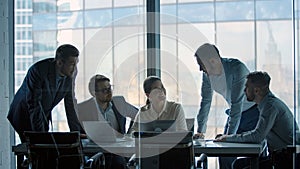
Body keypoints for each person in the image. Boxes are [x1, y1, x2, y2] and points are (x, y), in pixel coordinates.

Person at [7, 44, 84, 169]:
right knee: (37, 150)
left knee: (46, 152)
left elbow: (70, 104)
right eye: (72, 64)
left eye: (76, 63)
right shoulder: (38, 71)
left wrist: (77, 133)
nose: (75, 68)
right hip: (23, 113)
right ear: (59, 63)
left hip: (42, 112)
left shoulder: (70, 74)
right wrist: (41, 136)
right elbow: (34, 105)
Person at [193, 43, 260, 169]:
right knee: (224, 154)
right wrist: (200, 131)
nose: (200, 70)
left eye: (201, 65)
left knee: (253, 153)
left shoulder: (237, 69)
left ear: (212, 61)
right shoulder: (207, 76)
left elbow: (236, 104)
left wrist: (229, 138)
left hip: (254, 113)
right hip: (235, 115)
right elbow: (205, 101)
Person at [215, 71, 300, 169]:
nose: (244, 91)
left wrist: (227, 138)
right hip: (279, 157)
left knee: (240, 166)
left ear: (256, 91)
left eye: (246, 87)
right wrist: (229, 137)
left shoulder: (270, 107)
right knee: (238, 164)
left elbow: (257, 136)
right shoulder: (266, 105)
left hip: (286, 160)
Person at [77, 74, 138, 169]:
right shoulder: (83, 108)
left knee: (117, 162)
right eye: (104, 90)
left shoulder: (119, 103)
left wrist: (130, 133)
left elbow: (138, 115)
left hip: (118, 151)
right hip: (94, 151)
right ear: (94, 93)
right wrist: (88, 135)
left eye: (110, 88)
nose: (109, 92)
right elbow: (78, 132)